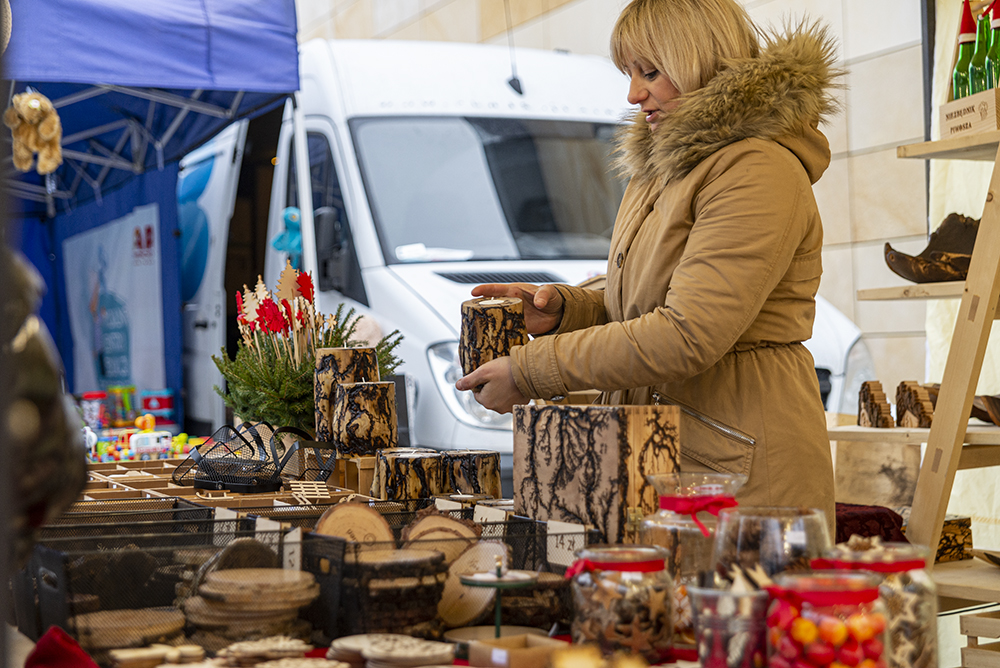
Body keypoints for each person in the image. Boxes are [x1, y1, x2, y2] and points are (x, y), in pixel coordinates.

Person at [456, 0, 840, 532]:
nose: (633, 94)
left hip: (740, 470)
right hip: (664, 450)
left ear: (700, 61)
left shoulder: (756, 168)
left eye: (651, 72)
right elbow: (644, 301)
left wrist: (532, 369)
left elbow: (687, 332)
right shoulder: (664, 166)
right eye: (630, 74)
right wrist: (565, 310)